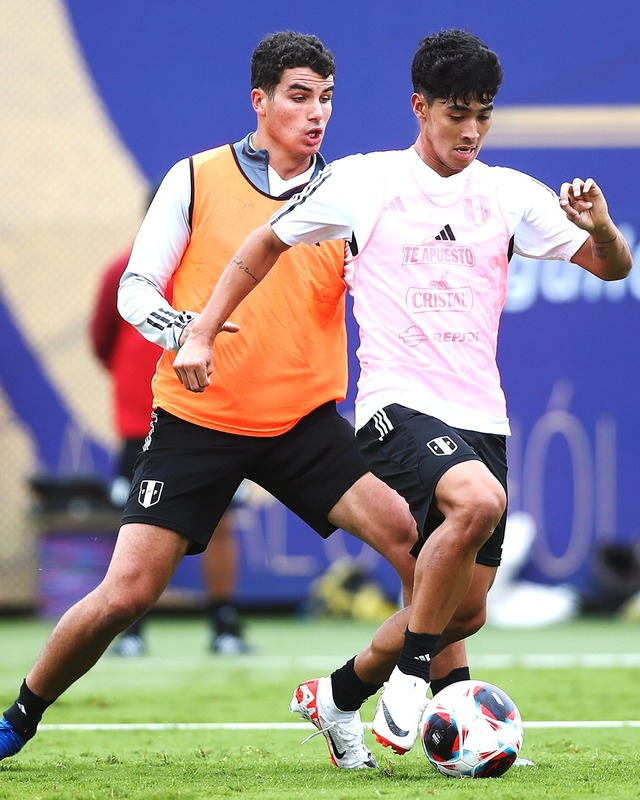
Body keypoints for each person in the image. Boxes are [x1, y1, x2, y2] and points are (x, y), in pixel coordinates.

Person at [170, 28, 632, 761]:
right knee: (479, 503)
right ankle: (411, 679)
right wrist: (200, 333)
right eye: (456, 112)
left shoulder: (510, 194)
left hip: (484, 416)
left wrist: (601, 227)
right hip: (395, 407)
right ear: (420, 107)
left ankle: (336, 695)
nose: (471, 129)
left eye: (483, 112)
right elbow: (262, 245)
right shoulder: (366, 180)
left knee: (464, 610)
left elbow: (611, 267)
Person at [0, 30, 429, 769]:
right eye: (298, 96)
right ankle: (19, 717)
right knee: (125, 595)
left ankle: (370, 703)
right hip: (197, 421)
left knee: (424, 552)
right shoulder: (195, 177)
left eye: (326, 98)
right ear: (259, 101)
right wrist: (184, 330)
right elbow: (138, 287)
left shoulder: (351, 195)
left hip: (303, 424)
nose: (316, 112)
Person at [89, 253, 251, 656]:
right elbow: (102, 339)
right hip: (144, 415)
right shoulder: (125, 269)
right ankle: (128, 628)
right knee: (137, 520)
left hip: (211, 409)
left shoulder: (223, 262)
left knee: (221, 518)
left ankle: (223, 622)